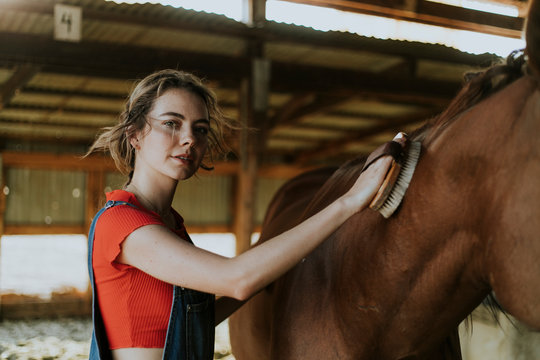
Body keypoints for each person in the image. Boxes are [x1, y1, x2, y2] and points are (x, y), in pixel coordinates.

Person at [85, 69, 396, 360]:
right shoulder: (122, 222)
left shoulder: (171, 224)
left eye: (200, 129)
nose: (189, 138)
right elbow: (236, 279)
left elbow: (198, 319)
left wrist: (279, 268)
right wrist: (351, 200)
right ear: (135, 135)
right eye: (171, 123)